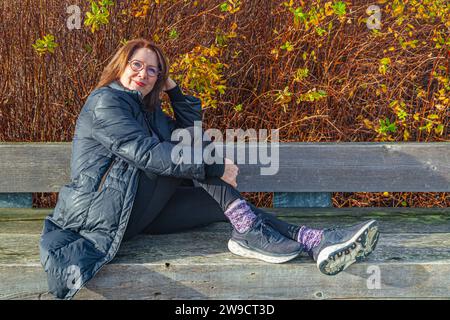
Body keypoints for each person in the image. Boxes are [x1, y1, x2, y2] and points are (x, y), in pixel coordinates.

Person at [39, 38, 380, 300]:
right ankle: (252, 232)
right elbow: (147, 154)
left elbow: (191, 135)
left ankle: (315, 241)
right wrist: (214, 167)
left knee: (227, 203)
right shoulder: (105, 102)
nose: (143, 73)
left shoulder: (148, 112)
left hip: (137, 214)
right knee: (185, 159)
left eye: (153, 70)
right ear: (120, 66)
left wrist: (174, 91)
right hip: (99, 219)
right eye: (136, 64)